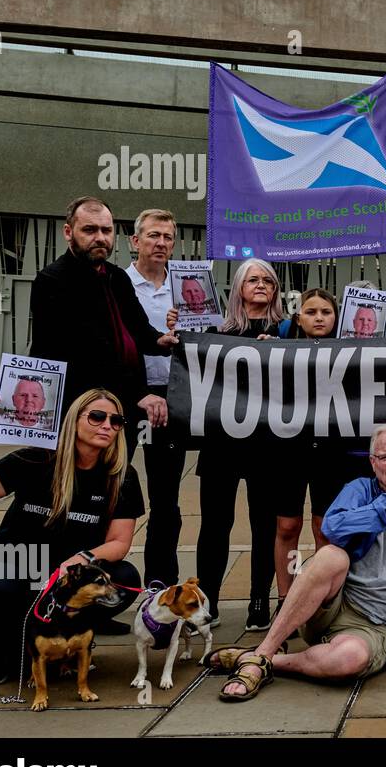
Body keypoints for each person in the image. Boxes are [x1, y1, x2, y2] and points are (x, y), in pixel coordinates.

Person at [203, 424, 386, 701]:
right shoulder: (360, 489)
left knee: (349, 660)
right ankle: (265, 653)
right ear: (373, 462)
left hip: (376, 627)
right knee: (330, 556)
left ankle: (258, 660)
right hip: (330, 607)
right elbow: (333, 528)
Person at [0, 389, 146, 684]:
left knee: (125, 579)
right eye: (97, 417)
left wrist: (82, 558)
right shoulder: (35, 460)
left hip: (68, 572)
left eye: (116, 421)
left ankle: (71, 644)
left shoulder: (121, 476)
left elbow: (119, 542)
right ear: (73, 420)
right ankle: (1, 654)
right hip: (17, 561)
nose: (107, 426)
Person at [168, 258, 286, 632]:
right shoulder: (214, 329)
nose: (261, 285)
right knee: (215, 525)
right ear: (237, 287)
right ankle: (210, 602)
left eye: (268, 279)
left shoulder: (288, 329)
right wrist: (175, 332)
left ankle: (257, 602)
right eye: (253, 279)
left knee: (264, 525)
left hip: (268, 444)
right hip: (221, 443)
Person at [30, 196, 177, 460]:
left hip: (121, 408)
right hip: (79, 409)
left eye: (106, 230)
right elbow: (78, 353)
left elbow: (138, 329)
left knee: (115, 479)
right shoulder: (52, 281)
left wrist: (160, 342)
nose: (100, 237)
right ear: (68, 232)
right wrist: (138, 394)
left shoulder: (116, 277)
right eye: (89, 230)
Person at [272, 289, 371, 608]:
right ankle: (285, 597)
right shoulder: (279, 349)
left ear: (337, 317)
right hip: (290, 447)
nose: (318, 317)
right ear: (298, 317)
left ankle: (319, 600)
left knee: (324, 527)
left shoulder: (353, 351)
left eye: (326, 312)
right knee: (287, 525)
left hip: (332, 449)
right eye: (311, 311)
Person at [127, 208, 190, 587]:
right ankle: (98, 589)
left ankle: (160, 586)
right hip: (125, 397)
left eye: (167, 237)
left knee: (165, 499)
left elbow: (208, 332)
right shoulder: (118, 283)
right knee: (106, 490)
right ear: (135, 241)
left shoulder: (186, 286)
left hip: (172, 399)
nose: (161, 243)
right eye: (153, 235)